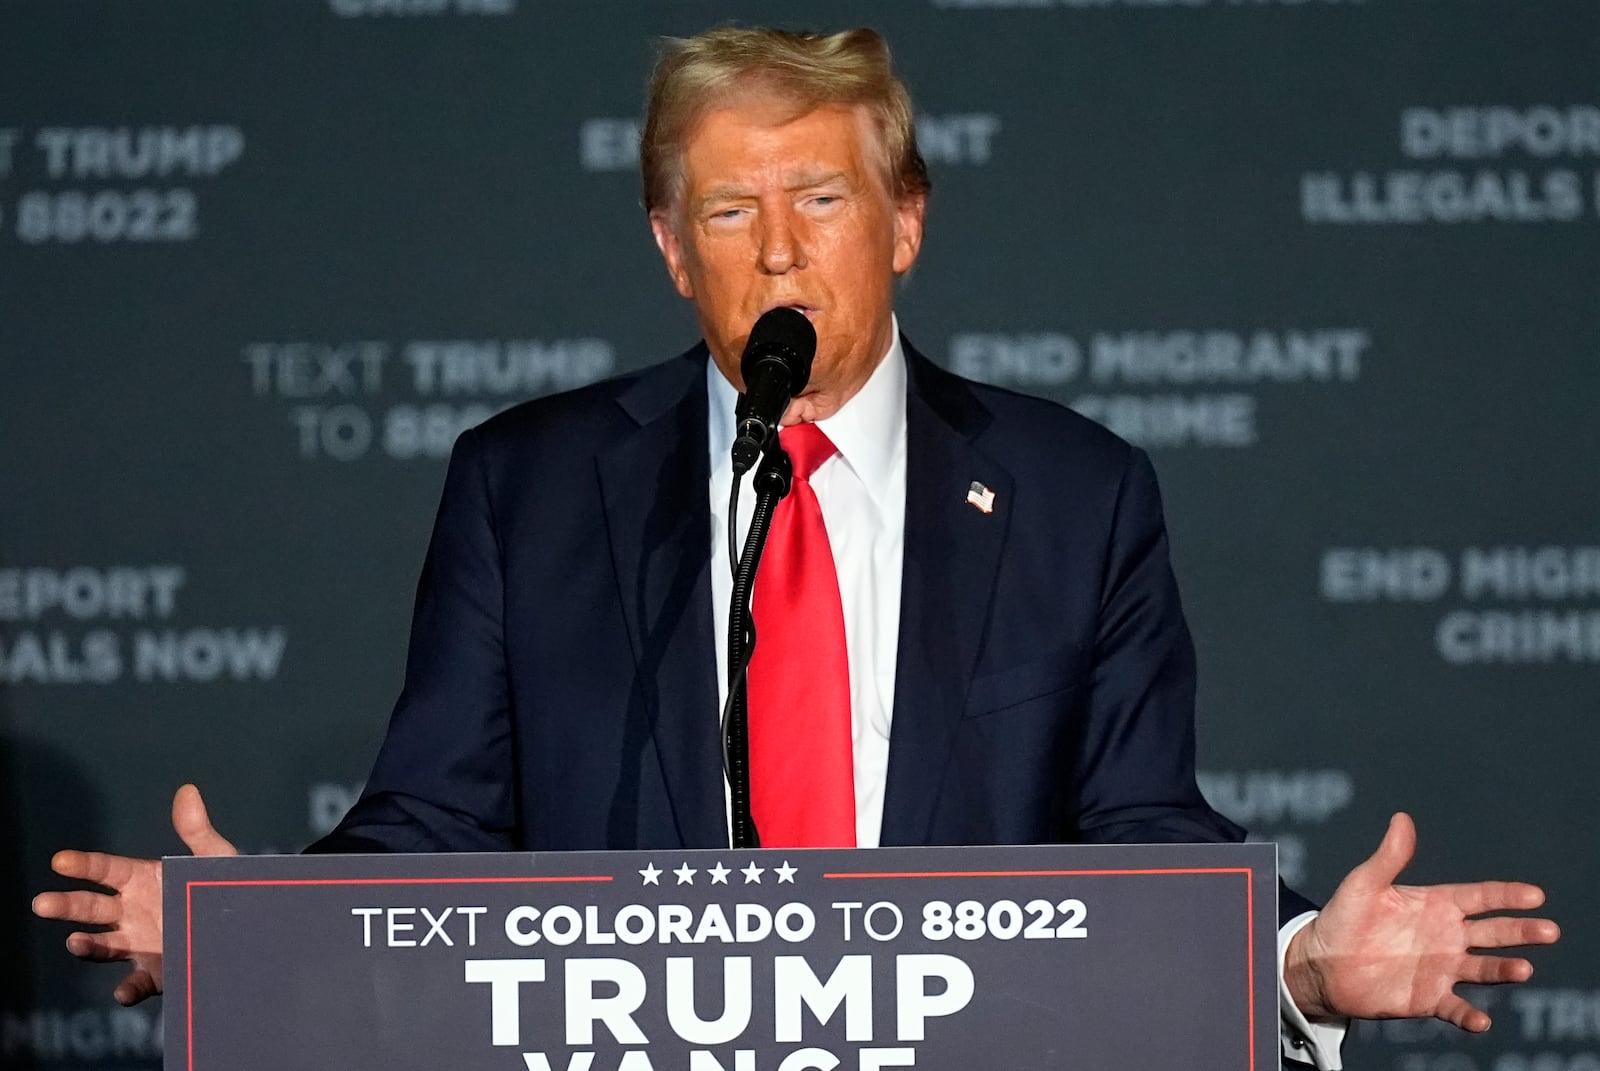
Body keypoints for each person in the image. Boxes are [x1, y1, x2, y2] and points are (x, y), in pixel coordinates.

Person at [32, 26, 1557, 1071]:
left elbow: (1138, 841)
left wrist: (1295, 968)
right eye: (729, 208)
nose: (776, 250)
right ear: (668, 244)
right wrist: (253, 934)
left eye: (821, 198)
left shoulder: (1075, 493)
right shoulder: (531, 487)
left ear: (903, 221)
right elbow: (431, 832)